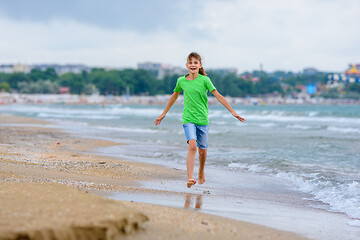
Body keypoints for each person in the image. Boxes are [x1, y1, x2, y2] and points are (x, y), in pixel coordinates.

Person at [154, 52, 245, 188]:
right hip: (188, 119)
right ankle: (190, 178)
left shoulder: (205, 80)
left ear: (200, 65)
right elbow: (174, 96)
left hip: (203, 120)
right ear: (186, 65)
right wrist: (164, 113)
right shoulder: (181, 81)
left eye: (195, 63)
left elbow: (218, 96)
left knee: (203, 151)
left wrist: (232, 112)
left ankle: (201, 171)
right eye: (190, 63)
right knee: (192, 146)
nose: (193, 65)